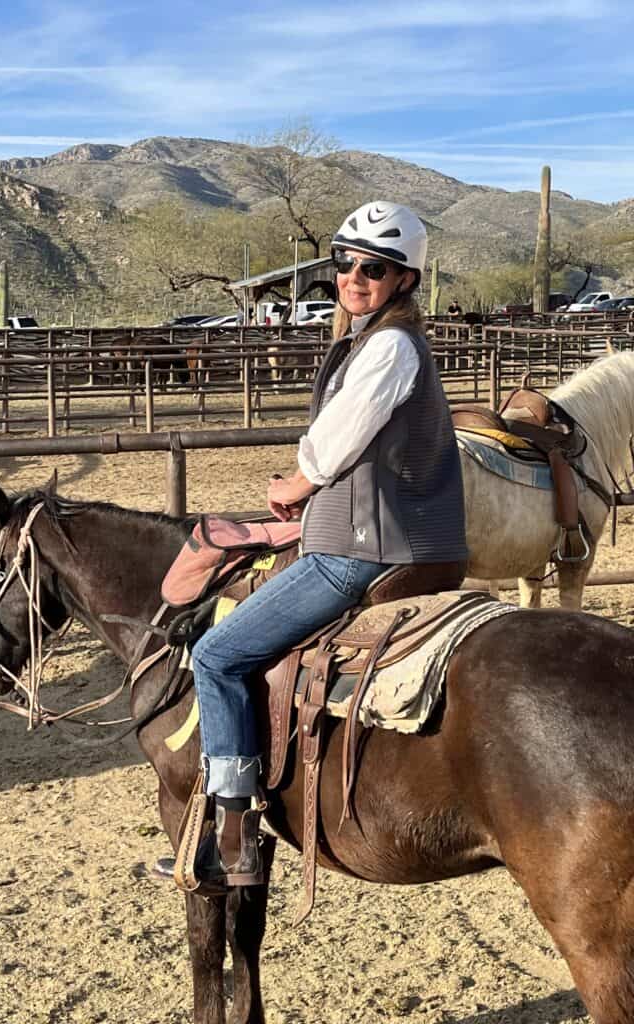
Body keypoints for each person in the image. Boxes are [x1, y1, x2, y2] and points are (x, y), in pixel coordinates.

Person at [177, 201, 468, 893]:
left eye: (374, 268)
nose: (354, 277)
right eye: (345, 263)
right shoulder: (377, 340)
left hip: (364, 549)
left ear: (404, 280)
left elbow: (336, 444)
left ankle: (236, 829)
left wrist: (297, 482)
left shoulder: (391, 347)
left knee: (215, 655)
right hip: (395, 536)